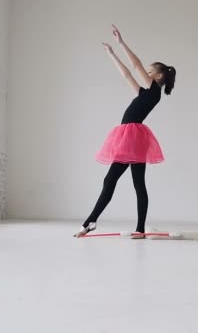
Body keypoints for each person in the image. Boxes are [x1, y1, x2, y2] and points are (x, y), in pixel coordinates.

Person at [74, 25, 177, 238]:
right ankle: (132, 228)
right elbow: (128, 74)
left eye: (149, 72)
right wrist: (112, 54)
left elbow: (135, 64)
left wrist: (121, 43)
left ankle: (91, 221)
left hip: (132, 139)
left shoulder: (155, 90)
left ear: (158, 76)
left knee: (114, 181)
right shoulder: (144, 94)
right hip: (131, 139)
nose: (145, 74)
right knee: (131, 183)